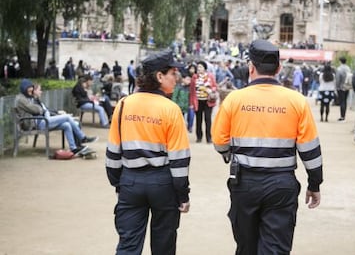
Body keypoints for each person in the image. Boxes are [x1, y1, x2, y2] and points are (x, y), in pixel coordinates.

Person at [212, 39, 323, 255]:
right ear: (279, 68)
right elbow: (310, 149)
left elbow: (219, 141)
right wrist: (315, 183)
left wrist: (229, 155)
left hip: (244, 183)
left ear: (250, 67)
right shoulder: (297, 101)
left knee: (246, 247)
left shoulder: (234, 100)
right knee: (276, 248)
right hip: (282, 184)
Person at [105, 50, 191, 254]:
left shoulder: (124, 105)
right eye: (172, 73)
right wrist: (183, 195)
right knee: (164, 245)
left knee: (128, 244)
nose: (176, 78)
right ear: (159, 77)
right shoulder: (171, 109)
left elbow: (113, 153)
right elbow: (179, 160)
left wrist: (119, 183)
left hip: (130, 181)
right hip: (163, 183)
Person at [15, 80, 97, 155]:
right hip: (37, 123)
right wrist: (42, 110)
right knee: (67, 117)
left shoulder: (27, 97)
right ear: (24, 89)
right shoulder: (22, 99)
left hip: (41, 121)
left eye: (31, 89)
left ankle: (74, 148)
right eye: (29, 89)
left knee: (66, 125)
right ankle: (83, 138)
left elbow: (40, 109)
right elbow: (36, 109)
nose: (31, 91)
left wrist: (42, 110)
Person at [189, 60, 217, 143]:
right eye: (198, 67)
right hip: (198, 101)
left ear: (204, 68)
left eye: (200, 67)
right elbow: (192, 90)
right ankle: (199, 137)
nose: (199, 69)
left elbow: (215, 87)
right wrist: (191, 103)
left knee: (208, 119)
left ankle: (209, 138)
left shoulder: (210, 76)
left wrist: (210, 90)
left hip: (208, 101)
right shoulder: (194, 77)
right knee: (198, 119)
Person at [336, 57, 352, 121]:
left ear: (340, 61)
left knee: (342, 101)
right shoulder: (348, 68)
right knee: (345, 101)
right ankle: (344, 115)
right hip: (347, 87)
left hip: (341, 87)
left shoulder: (339, 69)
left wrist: (337, 87)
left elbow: (338, 79)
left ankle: (342, 116)